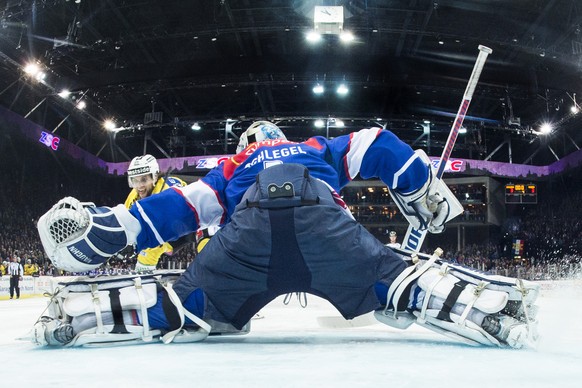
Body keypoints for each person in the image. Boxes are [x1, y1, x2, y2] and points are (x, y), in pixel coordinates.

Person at [34, 121, 540, 349]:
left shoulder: (232, 166)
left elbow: (178, 210)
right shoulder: (314, 147)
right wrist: (419, 190)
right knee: (396, 282)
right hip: (325, 226)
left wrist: (113, 228)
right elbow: (374, 143)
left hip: (247, 239)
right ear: (281, 138)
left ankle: (79, 316)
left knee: (186, 305)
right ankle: (490, 309)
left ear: (249, 143)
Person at [123, 154, 186, 272]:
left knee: (150, 249)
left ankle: (143, 277)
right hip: (165, 222)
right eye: (135, 180)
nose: (139, 186)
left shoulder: (167, 195)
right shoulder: (133, 195)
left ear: (155, 176)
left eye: (144, 179)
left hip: (184, 225)